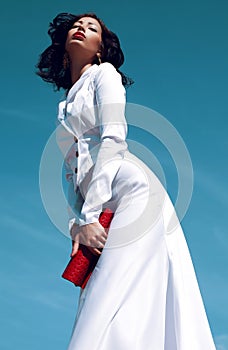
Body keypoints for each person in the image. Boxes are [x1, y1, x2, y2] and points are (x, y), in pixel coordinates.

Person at [36, 12, 217, 350]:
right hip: (104, 202)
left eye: (92, 29)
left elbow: (114, 138)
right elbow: (73, 179)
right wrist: (79, 223)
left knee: (111, 295)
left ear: (100, 49)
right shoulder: (64, 109)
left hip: (131, 190)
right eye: (77, 25)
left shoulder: (104, 75)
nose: (81, 28)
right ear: (64, 47)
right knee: (111, 298)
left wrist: (90, 215)